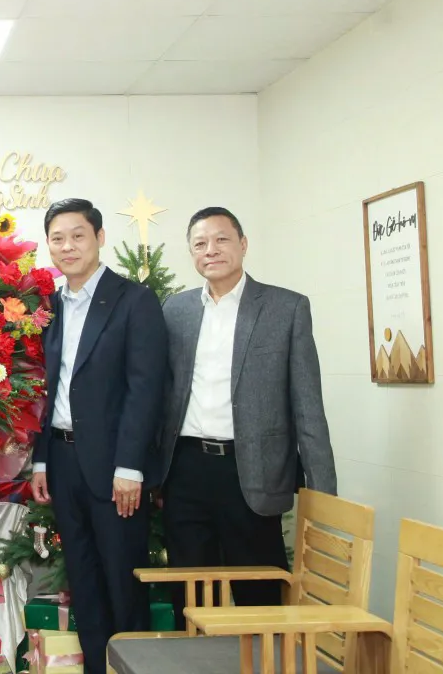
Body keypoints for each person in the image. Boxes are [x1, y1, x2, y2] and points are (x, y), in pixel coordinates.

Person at [158, 207, 336, 626]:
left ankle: (265, 657)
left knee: (260, 594)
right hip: (186, 470)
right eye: (200, 243)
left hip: (253, 470)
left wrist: (324, 493)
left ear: (243, 244)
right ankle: (197, 657)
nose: (211, 250)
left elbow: (308, 405)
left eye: (221, 239)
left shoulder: (285, 307)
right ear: (191, 253)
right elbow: (162, 393)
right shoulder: (175, 310)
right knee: (189, 594)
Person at [29, 199, 168, 674]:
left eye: (78, 236)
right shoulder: (50, 307)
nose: (68, 247)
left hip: (114, 468)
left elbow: (146, 389)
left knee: (121, 583)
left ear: (100, 238)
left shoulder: (134, 301)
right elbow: (46, 389)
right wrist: (42, 460)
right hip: (63, 462)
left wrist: (131, 467)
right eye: (58, 238)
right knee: (84, 584)